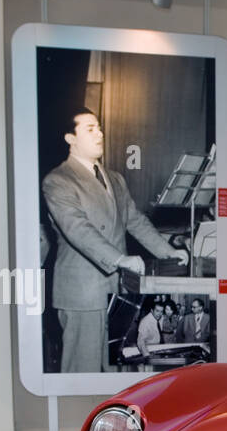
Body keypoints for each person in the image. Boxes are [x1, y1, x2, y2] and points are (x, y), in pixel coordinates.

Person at [41, 111, 187, 372]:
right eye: (90, 129)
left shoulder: (115, 179)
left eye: (99, 127)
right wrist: (120, 259)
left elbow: (135, 221)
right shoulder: (58, 180)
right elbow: (78, 229)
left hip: (117, 290)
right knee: (81, 372)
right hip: (82, 294)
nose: (100, 133)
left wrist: (169, 252)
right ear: (70, 138)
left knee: (115, 371)